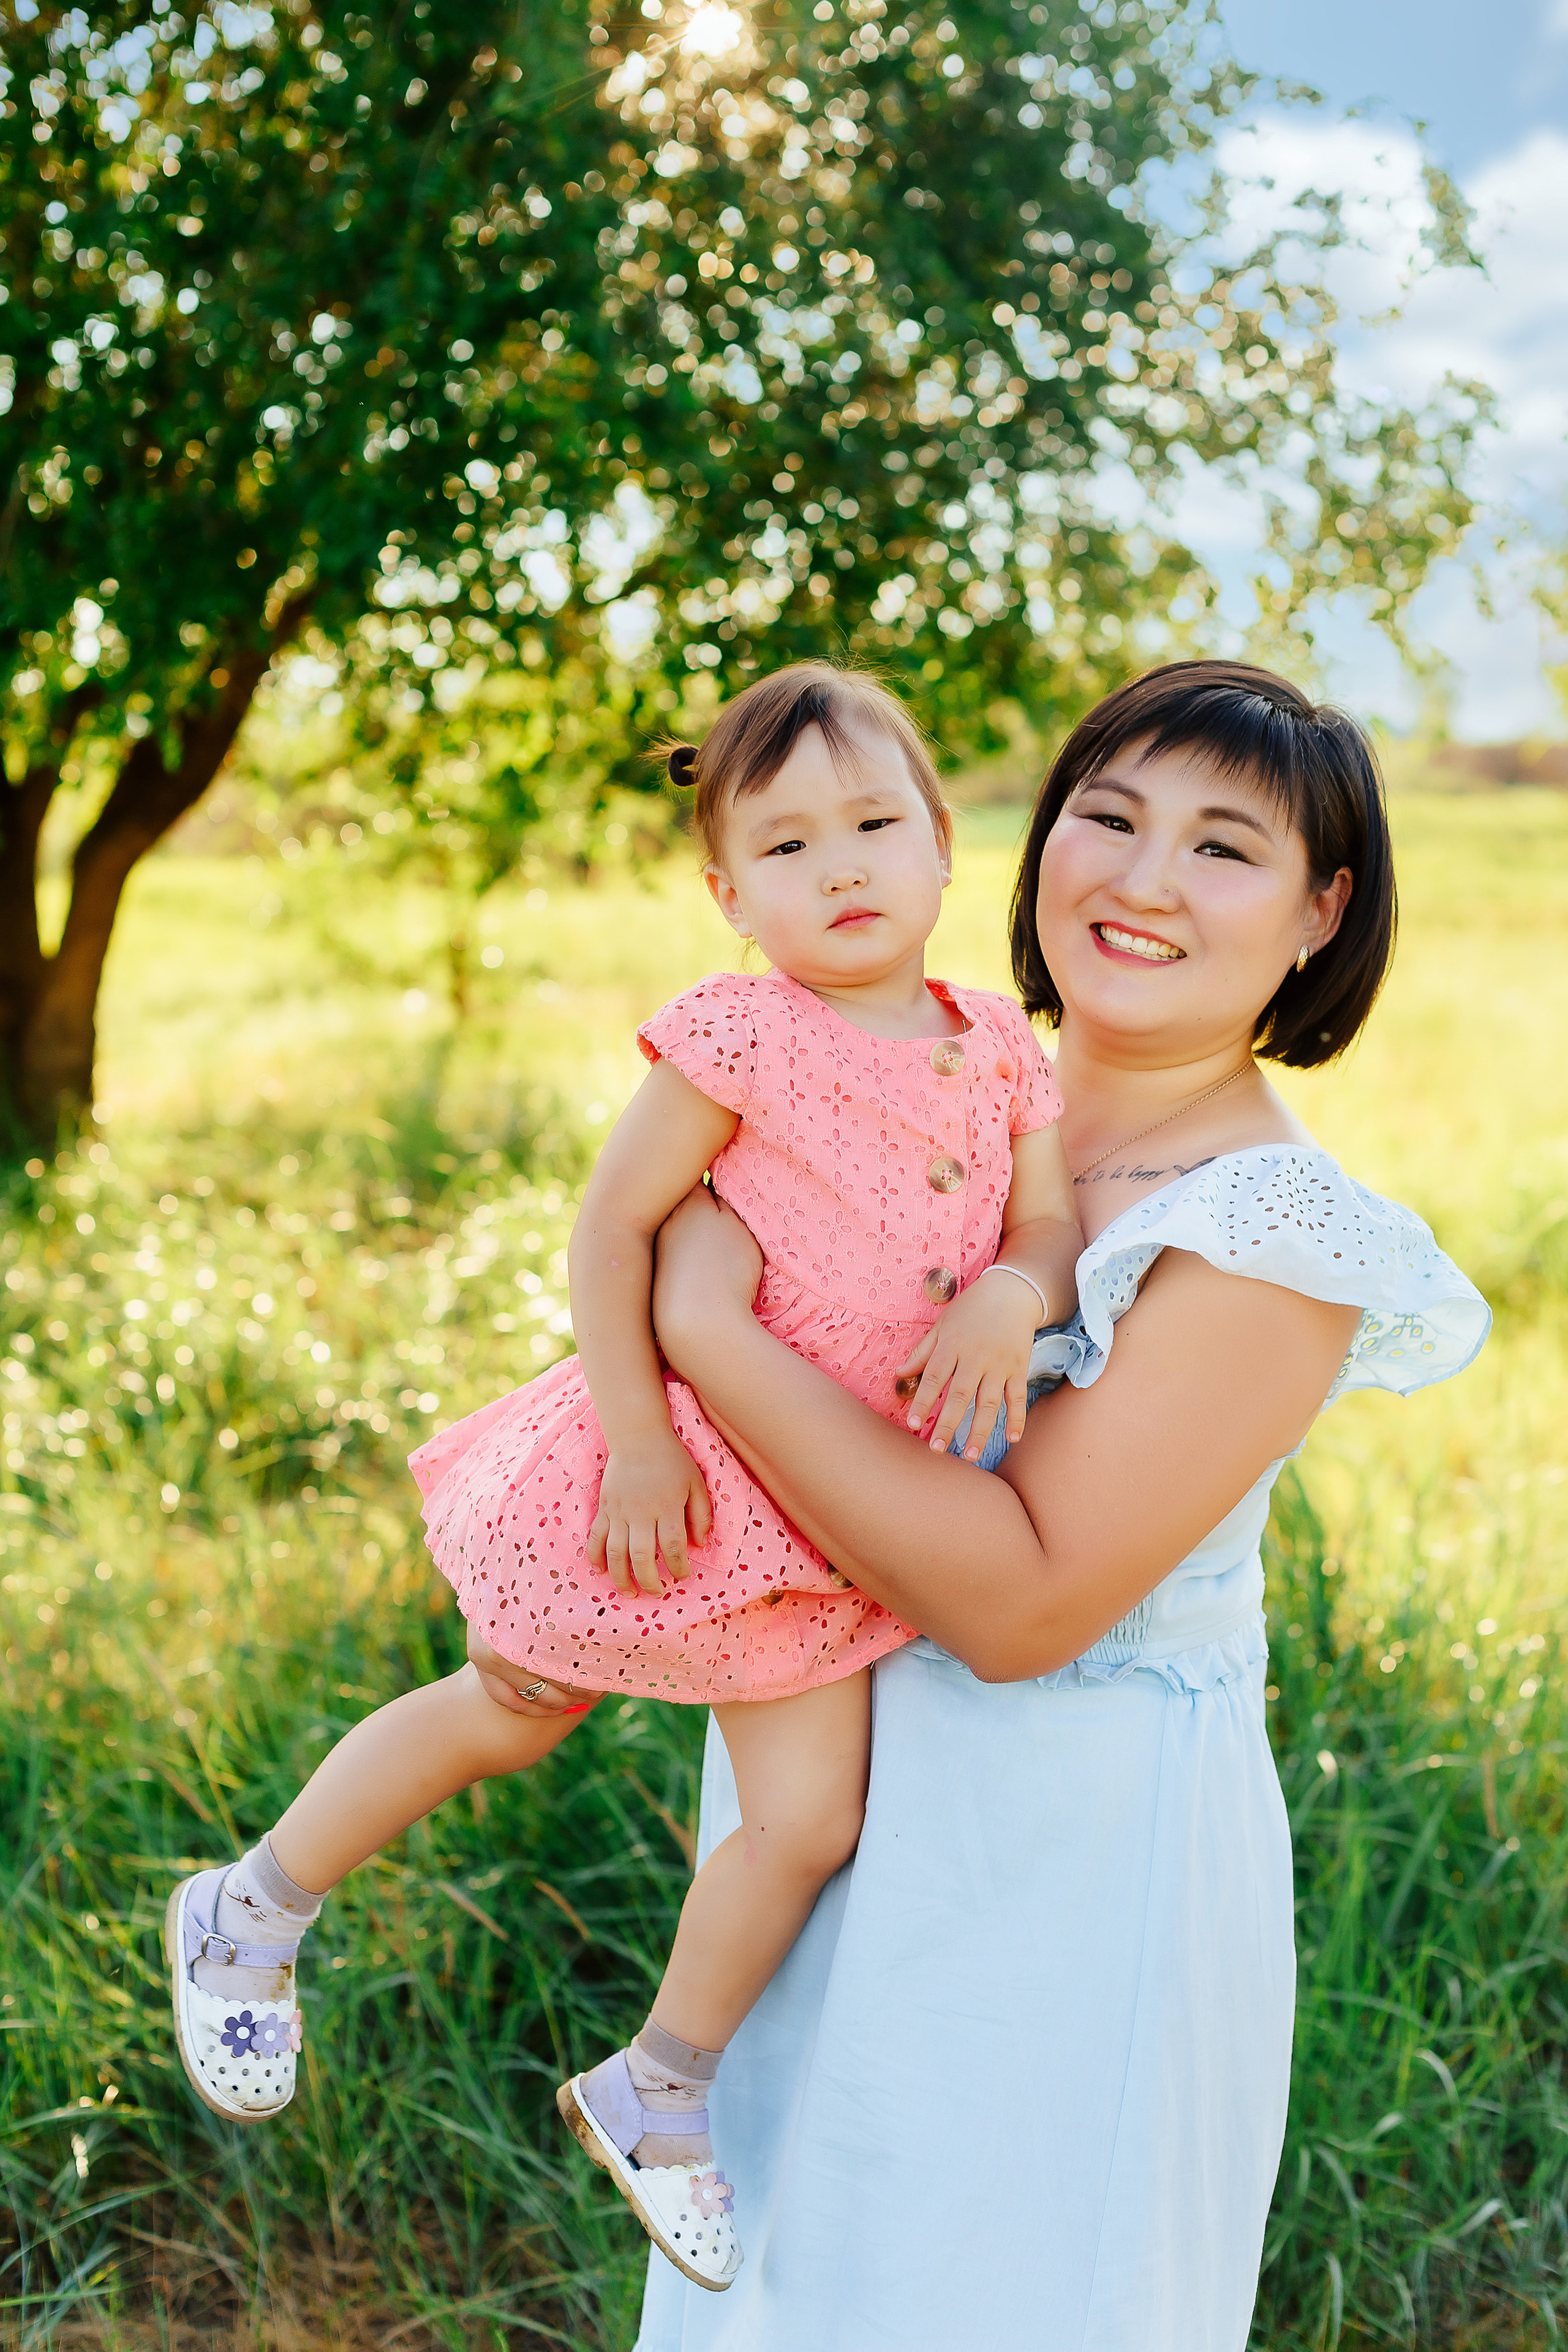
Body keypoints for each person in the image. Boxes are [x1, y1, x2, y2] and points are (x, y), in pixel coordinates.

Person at [160, 663, 1082, 2293]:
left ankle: (660, 2083)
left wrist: (1019, 1289)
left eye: (877, 825)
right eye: (789, 848)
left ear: (948, 847)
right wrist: (640, 1436)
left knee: (811, 1821)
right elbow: (612, 1232)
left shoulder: (1001, 1047)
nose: (845, 867)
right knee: (511, 1705)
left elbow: (1044, 1224)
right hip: (680, 1466)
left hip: (841, 1508)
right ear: (729, 893)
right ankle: (253, 1905)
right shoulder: (741, 1034)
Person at [624, 659, 1490, 2350]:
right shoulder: (936, 1089)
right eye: (1108, 816)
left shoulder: (1270, 1233)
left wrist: (708, 1332)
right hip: (817, 1823)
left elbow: (1022, 1606)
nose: (1143, 880)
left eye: (1225, 848)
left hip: (1065, 1880)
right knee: (775, 2296)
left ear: (1322, 912)